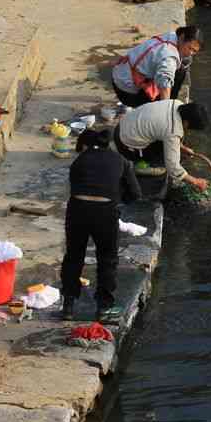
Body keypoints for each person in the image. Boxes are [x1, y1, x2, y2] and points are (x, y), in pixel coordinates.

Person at [60, 129, 142, 322]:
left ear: (86, 145)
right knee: (107, 259)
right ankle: (104, 307)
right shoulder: (121, 160)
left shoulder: (79, 161)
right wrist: (119, 198)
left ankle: (68, 307)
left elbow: (76, 186)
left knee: (73, 256)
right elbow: (136, 194)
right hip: (105, 212)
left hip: (77, 209)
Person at [113, 99, 210, 192]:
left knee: (170, 144)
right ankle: (138, 167)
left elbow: (165, 128)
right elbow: (172, 167)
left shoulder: (176, 103)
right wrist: (195, 181)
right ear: (186, 122)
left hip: (123, 126)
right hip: (126, 144)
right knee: (163, 165)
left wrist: (182, 147)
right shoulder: (173, 131)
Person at [112, 25, 203, 108]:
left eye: (194, 51)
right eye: (189, 48)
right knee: (179, 74)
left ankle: (170, 102)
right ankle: (164, 106)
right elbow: (165, 84)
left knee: (180, 68)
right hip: (126, 92)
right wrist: (165, 111)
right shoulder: (169, 57)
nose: (190, 53)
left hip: (119, 75)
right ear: (182, 37)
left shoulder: (172, 36)